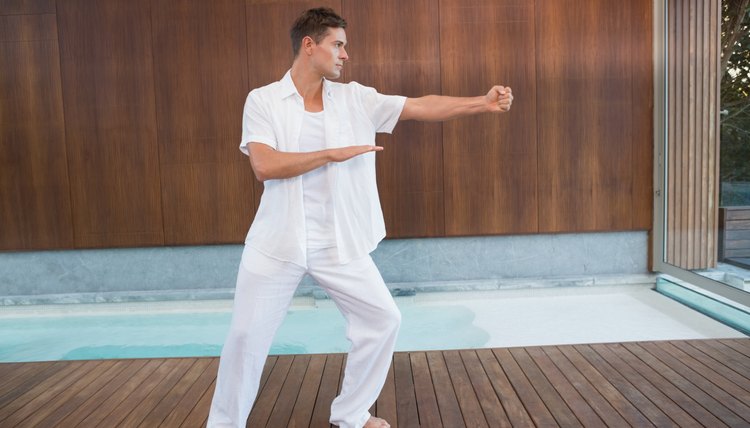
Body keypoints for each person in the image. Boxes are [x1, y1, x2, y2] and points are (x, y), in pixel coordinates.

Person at [207, 7, 512, 428]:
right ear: (309, 46)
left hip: (338, 243)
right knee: (245, 338)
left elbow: (420, 106)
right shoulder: (263, 100)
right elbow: (265, 165)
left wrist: (481, 102)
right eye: (338, 44)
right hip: (278, 242)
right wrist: (332, 154)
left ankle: (350, 414)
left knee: (383, 319)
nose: (345, 55)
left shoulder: (355, 99)